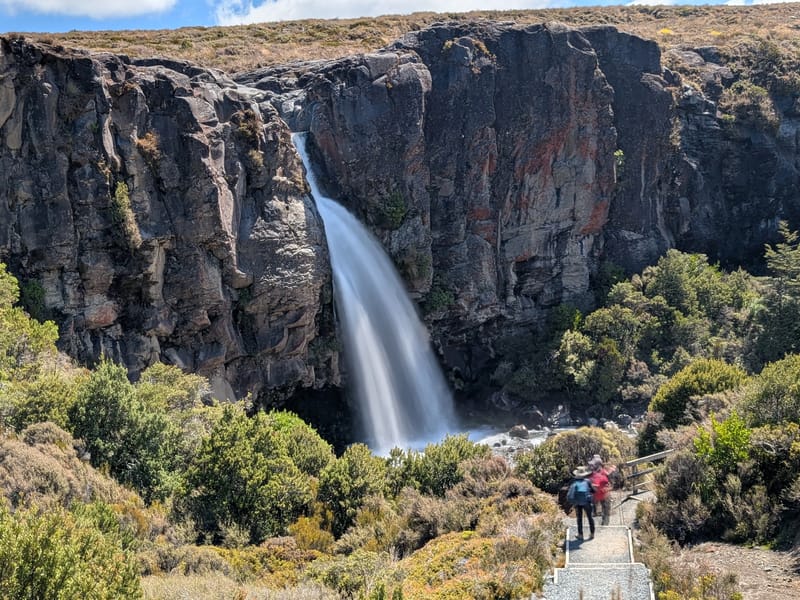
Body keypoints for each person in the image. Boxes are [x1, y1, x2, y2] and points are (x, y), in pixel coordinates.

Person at [567, 465, 594, 540]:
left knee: (579, 519)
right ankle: (592, 534)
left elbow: (570, 494)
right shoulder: (587, 481)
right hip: (587, 502)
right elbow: (593, 490)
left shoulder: (574, 482)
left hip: (577, 503)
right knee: (590, 518)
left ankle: (580, 535)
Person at [588, 456, 612, 526]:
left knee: (606, 512)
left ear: (598, 465)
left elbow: (609, 482)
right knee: (594, 512)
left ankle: (605, 527)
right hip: (596, 495)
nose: (592, 466)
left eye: (594, 465)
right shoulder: (592, 473)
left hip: (604, 495)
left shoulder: (604, 473)